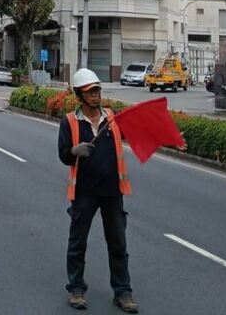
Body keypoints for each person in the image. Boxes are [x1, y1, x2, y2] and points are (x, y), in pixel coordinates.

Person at [58, 68, 138, 313]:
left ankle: (123, 292)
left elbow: (134, 134)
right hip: (84, 192)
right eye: (90, 92)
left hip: (113, 192)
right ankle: (76, 289)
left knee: (118, 244)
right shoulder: (70, 122)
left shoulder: (111, 119)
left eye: (97, 90)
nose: (95, 95)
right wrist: (74, 151)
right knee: (77, 242)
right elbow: (63, 155)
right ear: (80, 95)